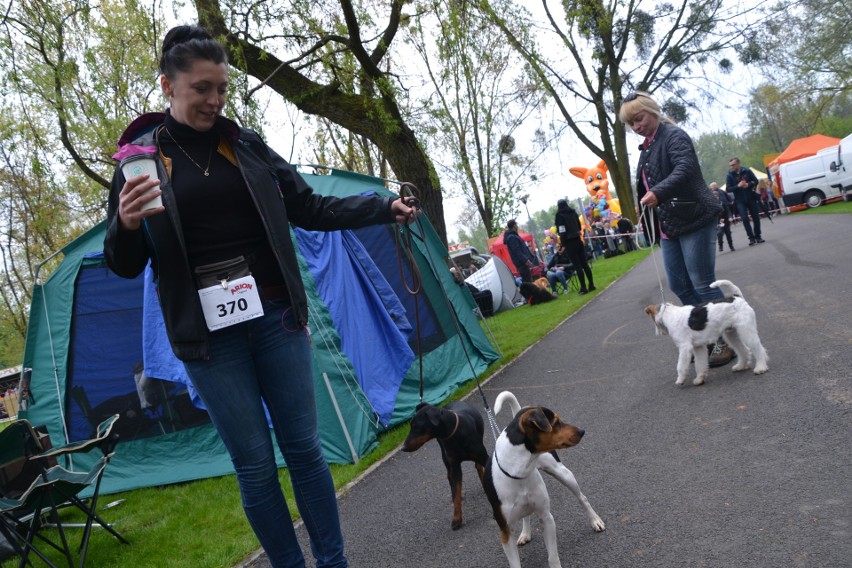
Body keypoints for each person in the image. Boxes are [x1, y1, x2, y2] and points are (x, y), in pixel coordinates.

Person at [103, 25, 418, 568]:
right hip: (208, 340)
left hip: (275, 319)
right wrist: (125, 226)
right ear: (167, 86)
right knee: (252, 463)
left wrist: (379, 206)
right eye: (201, 88)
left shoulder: (245, 147)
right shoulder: (141, 161)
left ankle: (333, 561)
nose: (214, 99)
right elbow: (125, 264)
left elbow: (311, 208)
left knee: (305, 451)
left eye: (221, 87)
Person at [619, 91, 733, 366]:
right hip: (669, 226)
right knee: (679, 285)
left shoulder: (674, 136)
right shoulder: (647, 146)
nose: (637, 127)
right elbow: (647, 186)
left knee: (702, 283)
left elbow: (684, 169)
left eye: (640, 118)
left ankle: (727, 340)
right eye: (631, 123)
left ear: (652, 110)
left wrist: (657, 192)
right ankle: (708, 336)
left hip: (694, 217)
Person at [554, 199, 595, 295]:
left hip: (569, 242)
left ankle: (583, 288)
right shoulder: (573, 212)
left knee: (577, 266)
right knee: (584, 263)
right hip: (578, 239)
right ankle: (591, 284)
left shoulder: (559, 216)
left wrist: (563, 245)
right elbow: (579, 226)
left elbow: (562, 231)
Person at [725, 157, 765, 245]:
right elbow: (728, 189)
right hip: (739, 200)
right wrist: (737, 186)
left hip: (751, 197)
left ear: (738, 164)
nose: (731, 167)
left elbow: (755, 181)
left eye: (733, 165)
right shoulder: (729, 175)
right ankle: (751, 238)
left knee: (756, 218)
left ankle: (758, 236)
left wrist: (748, 184)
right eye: (730, 165)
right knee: (744, 218)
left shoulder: (747, 171)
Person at [504, 219, 539, 283]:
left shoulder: (513, 236)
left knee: (528, 281)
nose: (517, 226)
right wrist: (525, 260)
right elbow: (517, 251)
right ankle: (528, 293)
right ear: (514, 226)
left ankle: (529, 292)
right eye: (516, 224)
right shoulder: (512, 237)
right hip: (522, 263)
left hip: (522, 263)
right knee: (528, 282)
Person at [710, 182, 735, 252]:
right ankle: (720, 245)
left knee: (728, 234)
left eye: (716, 196)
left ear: (718, 196)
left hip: (725, 219)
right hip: (719, 221)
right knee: (719, 233)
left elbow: (728, 211)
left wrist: (730, 217)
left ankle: (731, 246)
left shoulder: (723, 203)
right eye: (714, 197)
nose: (716, 198)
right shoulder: (712, 206)